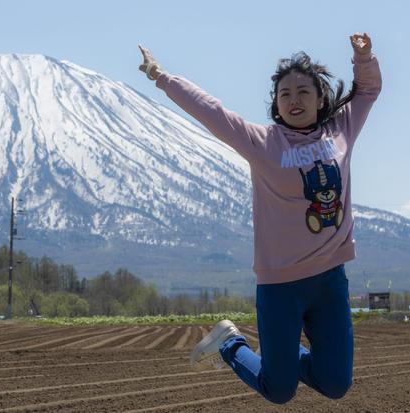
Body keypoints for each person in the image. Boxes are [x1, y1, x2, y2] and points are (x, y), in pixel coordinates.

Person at [138, 33, 381, 404]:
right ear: (276, 103)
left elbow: (366, 91)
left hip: (330, 282)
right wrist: (161, 76)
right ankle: (230, 343)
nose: (294, 100)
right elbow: (211, 111)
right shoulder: (262, 142)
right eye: (285, 94)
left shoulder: (340, 131)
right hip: (280, 285)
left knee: (335, 384)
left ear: (320, 99)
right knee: (279, 389)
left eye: (303, 92)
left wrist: (363, 57)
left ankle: (282, 356)